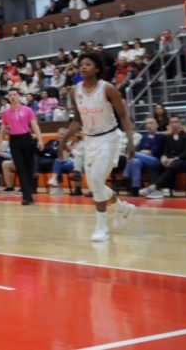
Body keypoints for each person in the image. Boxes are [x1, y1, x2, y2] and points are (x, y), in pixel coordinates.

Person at [57, 53, 136, 242]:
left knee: (96, 180)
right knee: (94, 184)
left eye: (88, 64)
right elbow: (77, 120)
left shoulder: (107, 88)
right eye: (81, 64)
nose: (83, 67)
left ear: (97, 68)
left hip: (109, 138)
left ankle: (101, 228)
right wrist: (64, 140)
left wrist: (130, 140)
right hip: (89, 139)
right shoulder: (75, 91)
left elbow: (123, 116)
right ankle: (122, 208)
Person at [0, 88, 44, 205]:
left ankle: (29, 195)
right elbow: (2, 130)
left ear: (18, 96)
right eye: (10, 95)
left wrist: (40, 139)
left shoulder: (28, 110)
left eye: (14, 94)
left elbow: (34, 125)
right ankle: (26, 197)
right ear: (8, 98)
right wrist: (0, 145)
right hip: (14, 141)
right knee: (20, 168)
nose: (12, 97)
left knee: (29, 168)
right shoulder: (6, 113)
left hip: (27, 139)